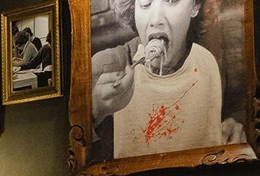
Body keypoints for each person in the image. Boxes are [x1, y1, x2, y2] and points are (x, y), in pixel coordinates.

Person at [91, 0, 237, 160]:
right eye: (145, 3)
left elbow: (235, 109)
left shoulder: (208, 60)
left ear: (195, 6)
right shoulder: (105, 67)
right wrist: (94, 113)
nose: (156, 20)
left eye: (172, 1)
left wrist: (233, 125)